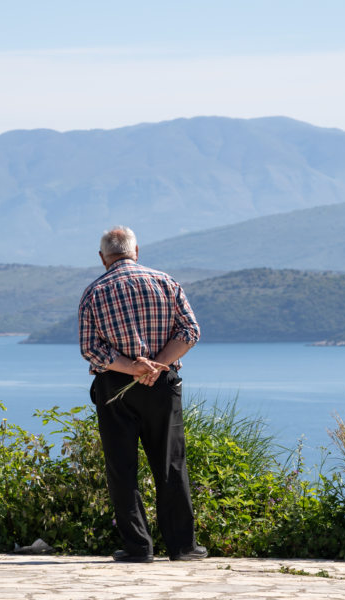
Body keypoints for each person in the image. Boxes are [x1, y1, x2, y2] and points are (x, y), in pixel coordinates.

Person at [78, 225, 207, 563]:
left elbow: (90, 349)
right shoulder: (166, 282)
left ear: (103, 257)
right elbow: (190, 331)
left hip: (114, 388)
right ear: (137, 251)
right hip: (163, 386)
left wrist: (132, 368)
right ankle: (183, 547)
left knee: (122, 468)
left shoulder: (94, 292)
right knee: (170, 464)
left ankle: (138, 548)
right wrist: (159, 364)